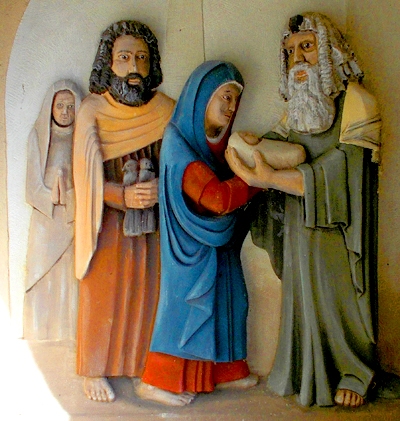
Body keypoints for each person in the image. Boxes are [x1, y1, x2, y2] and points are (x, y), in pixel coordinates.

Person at [226, 12, 381, 408]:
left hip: (339, 229)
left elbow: (342, 171)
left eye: (307, 47)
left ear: (329, 52)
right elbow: (277, 144)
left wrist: (272, 178)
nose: (297, 59)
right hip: (299, 224)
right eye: (290, 51)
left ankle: (354, 370)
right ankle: (303, 369)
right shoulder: (297, 107)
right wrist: (250, 148)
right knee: (302, 297)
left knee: (337, 295)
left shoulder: (357, 103)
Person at [136, 61, 266, 406]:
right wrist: (259, 178)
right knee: (182, 309)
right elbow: (217, 198)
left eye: (235, 99)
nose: (231, 106)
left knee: (233, 300)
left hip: (219, 244)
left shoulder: (214, 145)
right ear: (202, 96)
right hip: (189, 248)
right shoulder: (178, 142)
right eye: (225, 96)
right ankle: (155, 381)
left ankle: (227, 371)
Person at [73, 20, 175, 402]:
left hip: (151, 223)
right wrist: (122, 195)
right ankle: (93, 369)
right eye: (125, 57)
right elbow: (86, 179)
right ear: (108, 63)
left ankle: (142, 371)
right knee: (104, 292)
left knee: (147, 294)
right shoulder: (92, 111)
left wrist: (159, 189)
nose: (134, 67)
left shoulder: (165, 110)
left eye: (142, 58)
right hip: (107, 224)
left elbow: (181, 163)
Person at [24, 79, 82, 340]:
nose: (65, 112)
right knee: (42, 274)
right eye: (60, 106)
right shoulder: (38, 137)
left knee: (68, 279)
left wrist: (69, 197)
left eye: (70, 106)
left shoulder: (82, 139)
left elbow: (88, 181)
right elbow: (31, 186)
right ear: (50, 107)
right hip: (45, 221)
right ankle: (40, 333)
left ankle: (67, 334)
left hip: (72, 218)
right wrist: (51, 196)